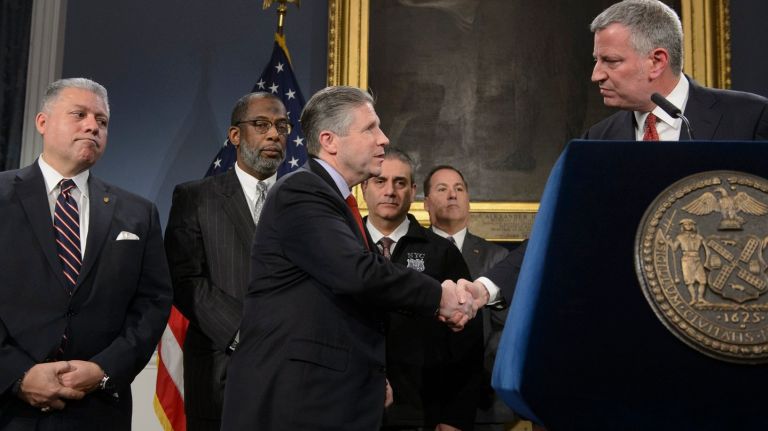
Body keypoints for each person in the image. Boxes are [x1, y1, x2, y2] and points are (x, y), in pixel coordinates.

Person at [220, 86, 476, 430]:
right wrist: (439, 296)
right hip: (294, 403)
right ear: (330, 140)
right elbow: (356, 273)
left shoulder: (334, 200)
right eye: (370, 128)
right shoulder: (302, 192)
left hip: (327, 398)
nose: (383, 139)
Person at [0, 78, 172, 430]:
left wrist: (104, 369)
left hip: (98, 411)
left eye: (102, 121)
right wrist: (17, 374)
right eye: (79, 114)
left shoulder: (138, 213)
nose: (92, 126)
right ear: (42, 123)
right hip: (8, 408)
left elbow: (152, 303)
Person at [164, 92, 288, 430]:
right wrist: (244, 331)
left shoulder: (303, 200)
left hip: (294, 375)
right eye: (261, 125)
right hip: (221, 371)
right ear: (235, 135)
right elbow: (184, 279)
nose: (274, 134)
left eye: (281, 126)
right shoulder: (195, 196)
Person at [362, 150, 482, 431]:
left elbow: (467, 344)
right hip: (350, 405)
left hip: (423, 411)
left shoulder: (442, 253)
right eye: (380, 181)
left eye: (400, 182)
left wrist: (455, 416)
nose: (390, 191)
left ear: (414, 191)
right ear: (364, 186)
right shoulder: (344, 247)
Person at [584, 0, 768, 141]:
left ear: (657, 62)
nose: (596, 75)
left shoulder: (751, 118)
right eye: (596, 60)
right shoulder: (596, 138)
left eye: (611, 61)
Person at [423, 165, 518, 430]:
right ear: (427, 203)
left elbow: (507, 329)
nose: (452, 195)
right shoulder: (412, 253)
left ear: (468, 201)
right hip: (423, 404)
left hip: (484, 403)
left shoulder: (499, 259)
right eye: (442, 189)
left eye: (459, 188)